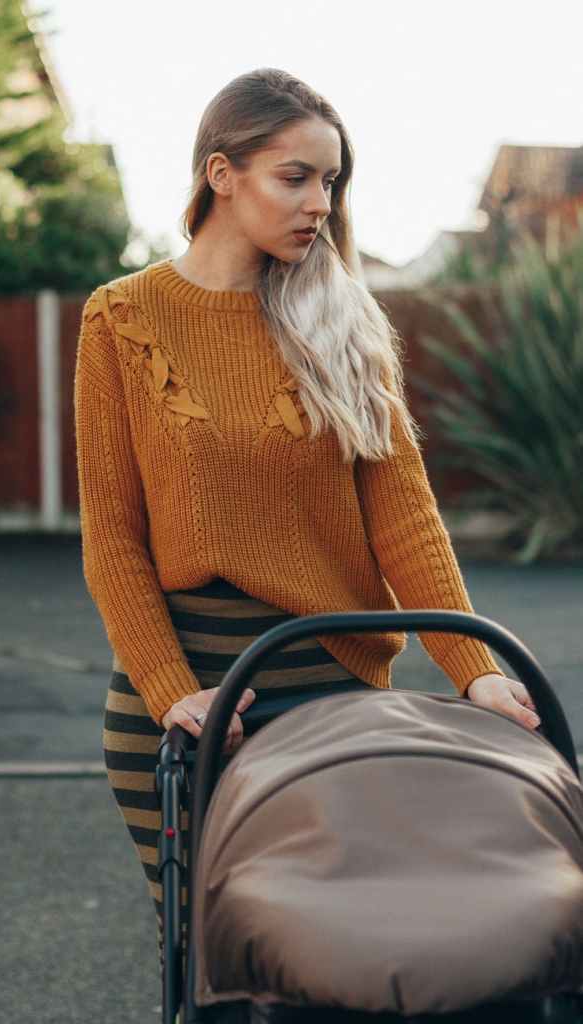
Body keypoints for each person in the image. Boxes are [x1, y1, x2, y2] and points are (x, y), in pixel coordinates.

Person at [73, 67, 540, 975]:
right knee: (214, 965)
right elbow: (112, 535)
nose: (319, 203)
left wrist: (474, 671)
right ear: (221, 174)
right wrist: (173, 690)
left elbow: (405, 518)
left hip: (328, 695)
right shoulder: (121, 319)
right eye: (296, 177)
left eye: (331, 181)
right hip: (178, 705)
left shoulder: (345, 320)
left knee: (335, 965)